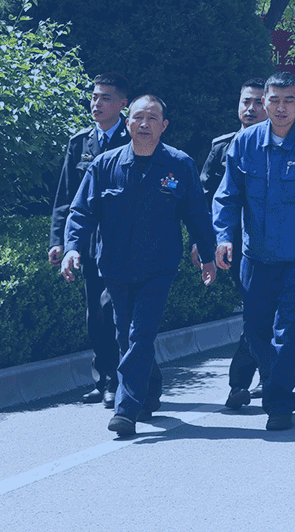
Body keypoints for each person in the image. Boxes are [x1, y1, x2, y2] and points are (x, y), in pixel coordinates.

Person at [62, 94, 216, 437]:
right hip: (115, 266)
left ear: (164, 125)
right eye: (138, 118)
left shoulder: (179, 165)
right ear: (128, 122)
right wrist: (72, 248)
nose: (144, 124)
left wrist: (207, 256)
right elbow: (82, 212)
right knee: (125, 336)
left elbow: (197, 215)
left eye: (152, 118)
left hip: (158, 268)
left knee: (140, 334)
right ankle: (147, 393)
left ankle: (126, 409)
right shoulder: (105, 165)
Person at [212, 71, 295, 432]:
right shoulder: (245, 143)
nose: (281, 107)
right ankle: (272, 383)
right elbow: (227, 196)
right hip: (255, 257)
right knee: (255, 329)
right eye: (274, 100)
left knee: (288, 333)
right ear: (264, 103)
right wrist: (223, 236)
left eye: (289, 100)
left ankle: (279, 402)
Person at [47, 73, 131, 407]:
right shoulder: (80, 142)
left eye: (105, 98)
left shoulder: (133, 136)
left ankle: (122, 379)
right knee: (95, 313)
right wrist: (59, 240)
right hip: (90, 243)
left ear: (123, 104)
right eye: (94, 97)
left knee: (116, 311)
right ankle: (104, 379)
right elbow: (65, 198)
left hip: (125, 242)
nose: (96, 104)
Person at [204, 79, 265, 409]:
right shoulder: (222, 147)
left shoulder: (284, 144)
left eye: (258, 102)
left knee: (262, 313)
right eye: (246, 102)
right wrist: (204, 241)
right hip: (235, 245)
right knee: (256, 311)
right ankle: (256, 378)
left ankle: (250, 379)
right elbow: (205, 198)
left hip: (276, 244)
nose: (251, 108)